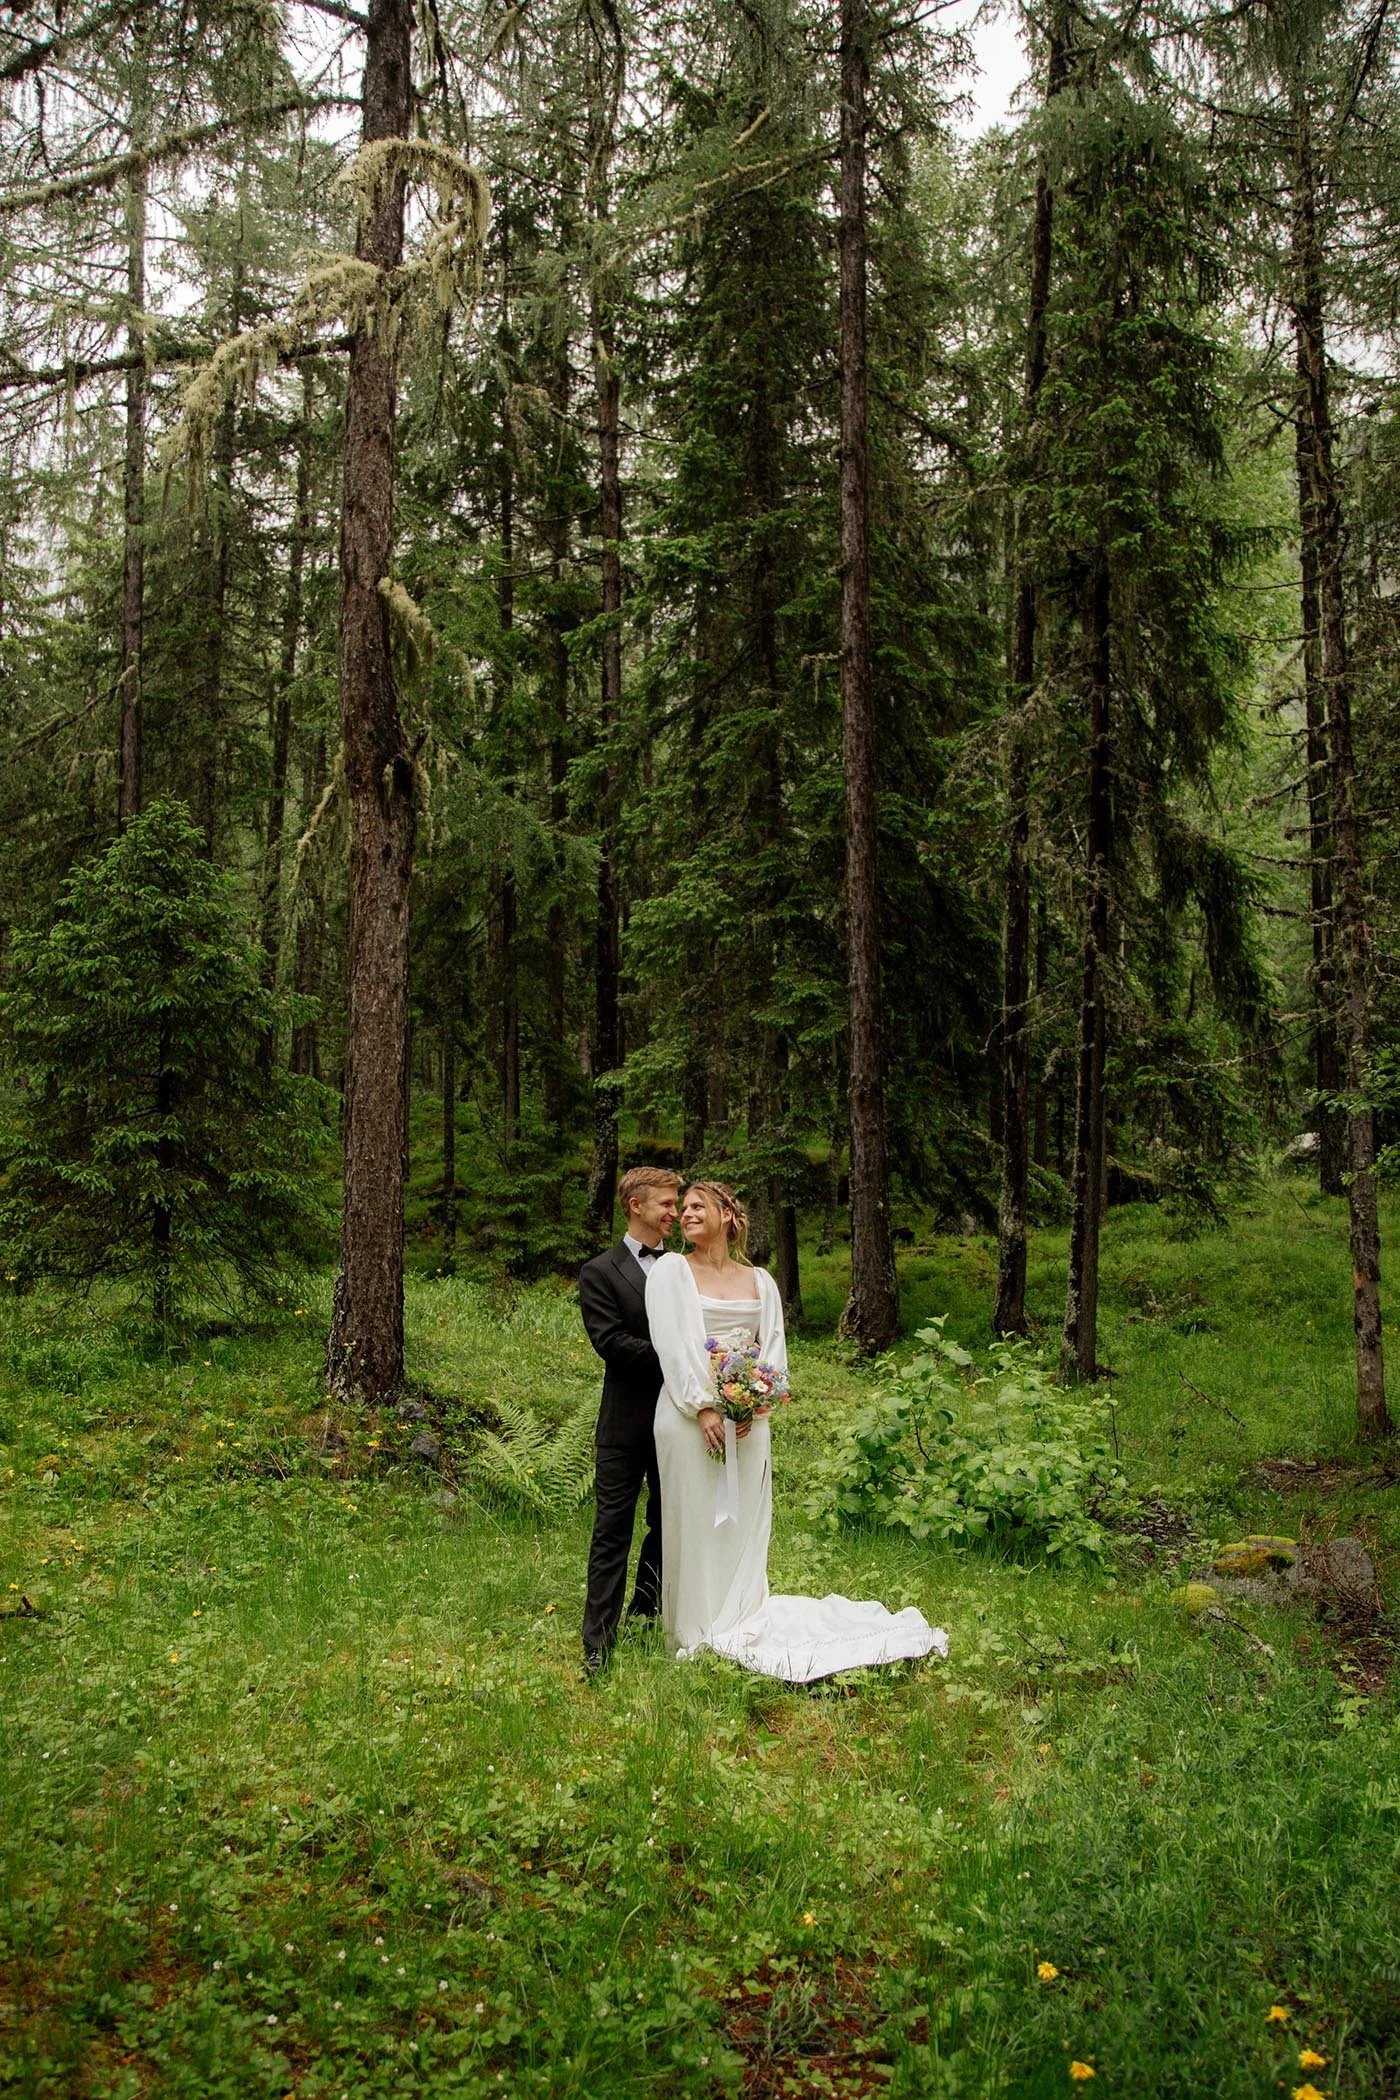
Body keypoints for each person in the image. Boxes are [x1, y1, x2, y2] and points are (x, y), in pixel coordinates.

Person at [645, 1181, 948, 1683]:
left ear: (728, 1215)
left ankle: (742, 1615)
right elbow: (673, 1345)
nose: (687, 1214)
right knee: (695, 1520)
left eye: (699, 1206)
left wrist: (753, 1404)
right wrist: (705, 1407)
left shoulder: (760, 1281)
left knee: (745, 1520)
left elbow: (773, 1352)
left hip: (748, 1423)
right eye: (684, 1209)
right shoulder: (672, 1272)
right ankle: (696, 1629)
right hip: (687, 1419)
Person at [577, 1166, 680, 1673]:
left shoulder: (681, 1267)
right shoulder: (599, 1271)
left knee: (668, 1526)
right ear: (636, 1205)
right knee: (611, 1530)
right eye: (666, 1203)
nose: (675, 1213)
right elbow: (612, 1344)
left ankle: (647, 1612)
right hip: (624, 1426)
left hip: (678, 1423)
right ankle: (597, 1644)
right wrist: (678, 1356)